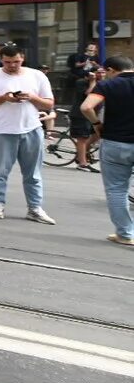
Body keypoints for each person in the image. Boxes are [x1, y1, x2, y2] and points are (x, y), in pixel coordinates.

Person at [0, 43, 56, 223]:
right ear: (1, 60)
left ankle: (35, 208)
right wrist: (3, 98)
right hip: (1, 130)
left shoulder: (37, 75)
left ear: (23, 58)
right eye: (7, 62)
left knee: (33, 173)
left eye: (16, 61)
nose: (12, 65)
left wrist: (32, 97)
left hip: (31, 128)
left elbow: (49, 104)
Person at [82, 56, 134, 247]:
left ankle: (125, 234)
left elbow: (86, 107)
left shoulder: (107, 86)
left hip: (115, 142)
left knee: (117, 190)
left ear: (111, 70)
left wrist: (97, 124)